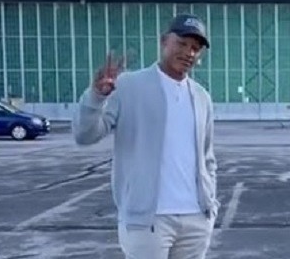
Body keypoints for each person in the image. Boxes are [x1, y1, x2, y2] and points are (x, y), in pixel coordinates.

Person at [72, 13, 219, 259]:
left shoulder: (201, 97)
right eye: (181, 44)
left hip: (195, 219)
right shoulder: (128, 86)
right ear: (164, 42)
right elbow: (85, 136)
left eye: (195, 48)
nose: (189, 53)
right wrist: (96, 97)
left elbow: (207, 157)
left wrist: (209, 204)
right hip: (148, 220)